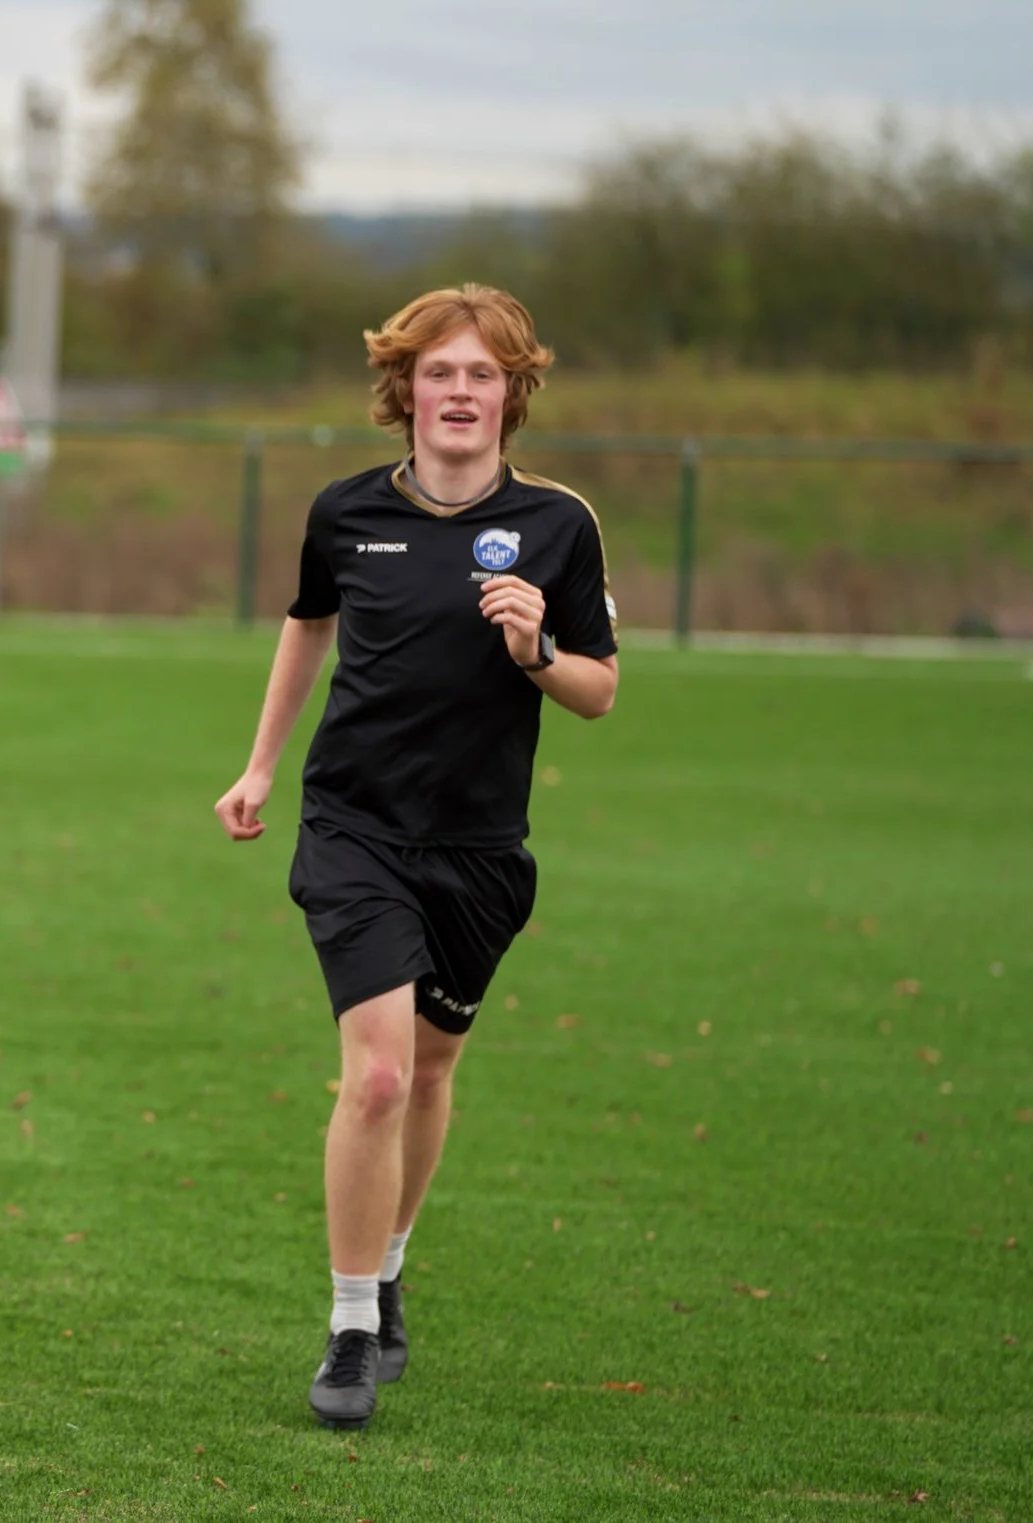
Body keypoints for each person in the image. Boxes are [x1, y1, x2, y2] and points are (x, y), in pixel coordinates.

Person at [211, 285, 619, 1430]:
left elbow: (597, 689)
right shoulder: (345, 511)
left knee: (431, 1070)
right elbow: (307, 622)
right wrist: (260, 765)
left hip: (480, 848)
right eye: (438, 370)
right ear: (404, 387)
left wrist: (534, 647)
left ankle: (387, 1267)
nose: (458, 391)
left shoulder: (559, 525)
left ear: (512, 392)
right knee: (379, 1073)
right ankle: (350, 1324)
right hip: (353, 826)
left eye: (481, 372)